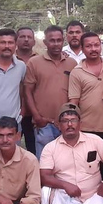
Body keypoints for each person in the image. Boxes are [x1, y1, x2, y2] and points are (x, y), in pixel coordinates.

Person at [39, 103, 103, 204]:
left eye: (73, 120)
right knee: (46, 191)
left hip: (93, 196)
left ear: (80, 124)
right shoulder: (50, 148)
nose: (70, 124)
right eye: (65, 121)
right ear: (59, 125)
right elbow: (44, 176)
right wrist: (65, 185)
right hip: (65, 198)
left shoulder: (94, 140)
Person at [24, 25, 78, 159]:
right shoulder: (34, 63)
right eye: (52, 40)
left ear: (63, 41)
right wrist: (37, 117)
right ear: (45, 42)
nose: (56, 44)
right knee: (44, 162)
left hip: (66, 123)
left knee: (65, 162)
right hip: (44, 124)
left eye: (59, 40)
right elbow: (27, 92)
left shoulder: (72, 63)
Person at [69, 32, 103, 145]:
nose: (93, 49)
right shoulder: (76, 72)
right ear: (82, 48)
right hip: (85, 128)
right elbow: (73, 102)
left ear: (101, 46)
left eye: (96, 45)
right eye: (88, 46)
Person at [16, 26, 38, 154]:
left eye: (29, 37)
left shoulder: (41, 60)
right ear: (16, 40)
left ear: (34, 41)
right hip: (14, 112)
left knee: (34, 149)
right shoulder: (9, 60)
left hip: (35, 114)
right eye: (22, 37)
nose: (26, 40)